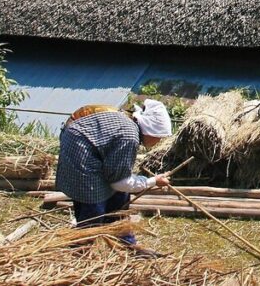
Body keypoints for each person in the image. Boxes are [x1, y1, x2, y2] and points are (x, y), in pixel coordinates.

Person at [56, 99, 173, 244]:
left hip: (86, 145)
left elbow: (118, 178)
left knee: (120, 197)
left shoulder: (131, 126)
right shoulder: (130, 137)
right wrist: (153, 181)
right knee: (94, 204)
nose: (159, 141)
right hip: (79, 149)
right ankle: (82, 247)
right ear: (151, 131)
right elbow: (120, 182)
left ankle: (123, 239)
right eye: (159, 137)